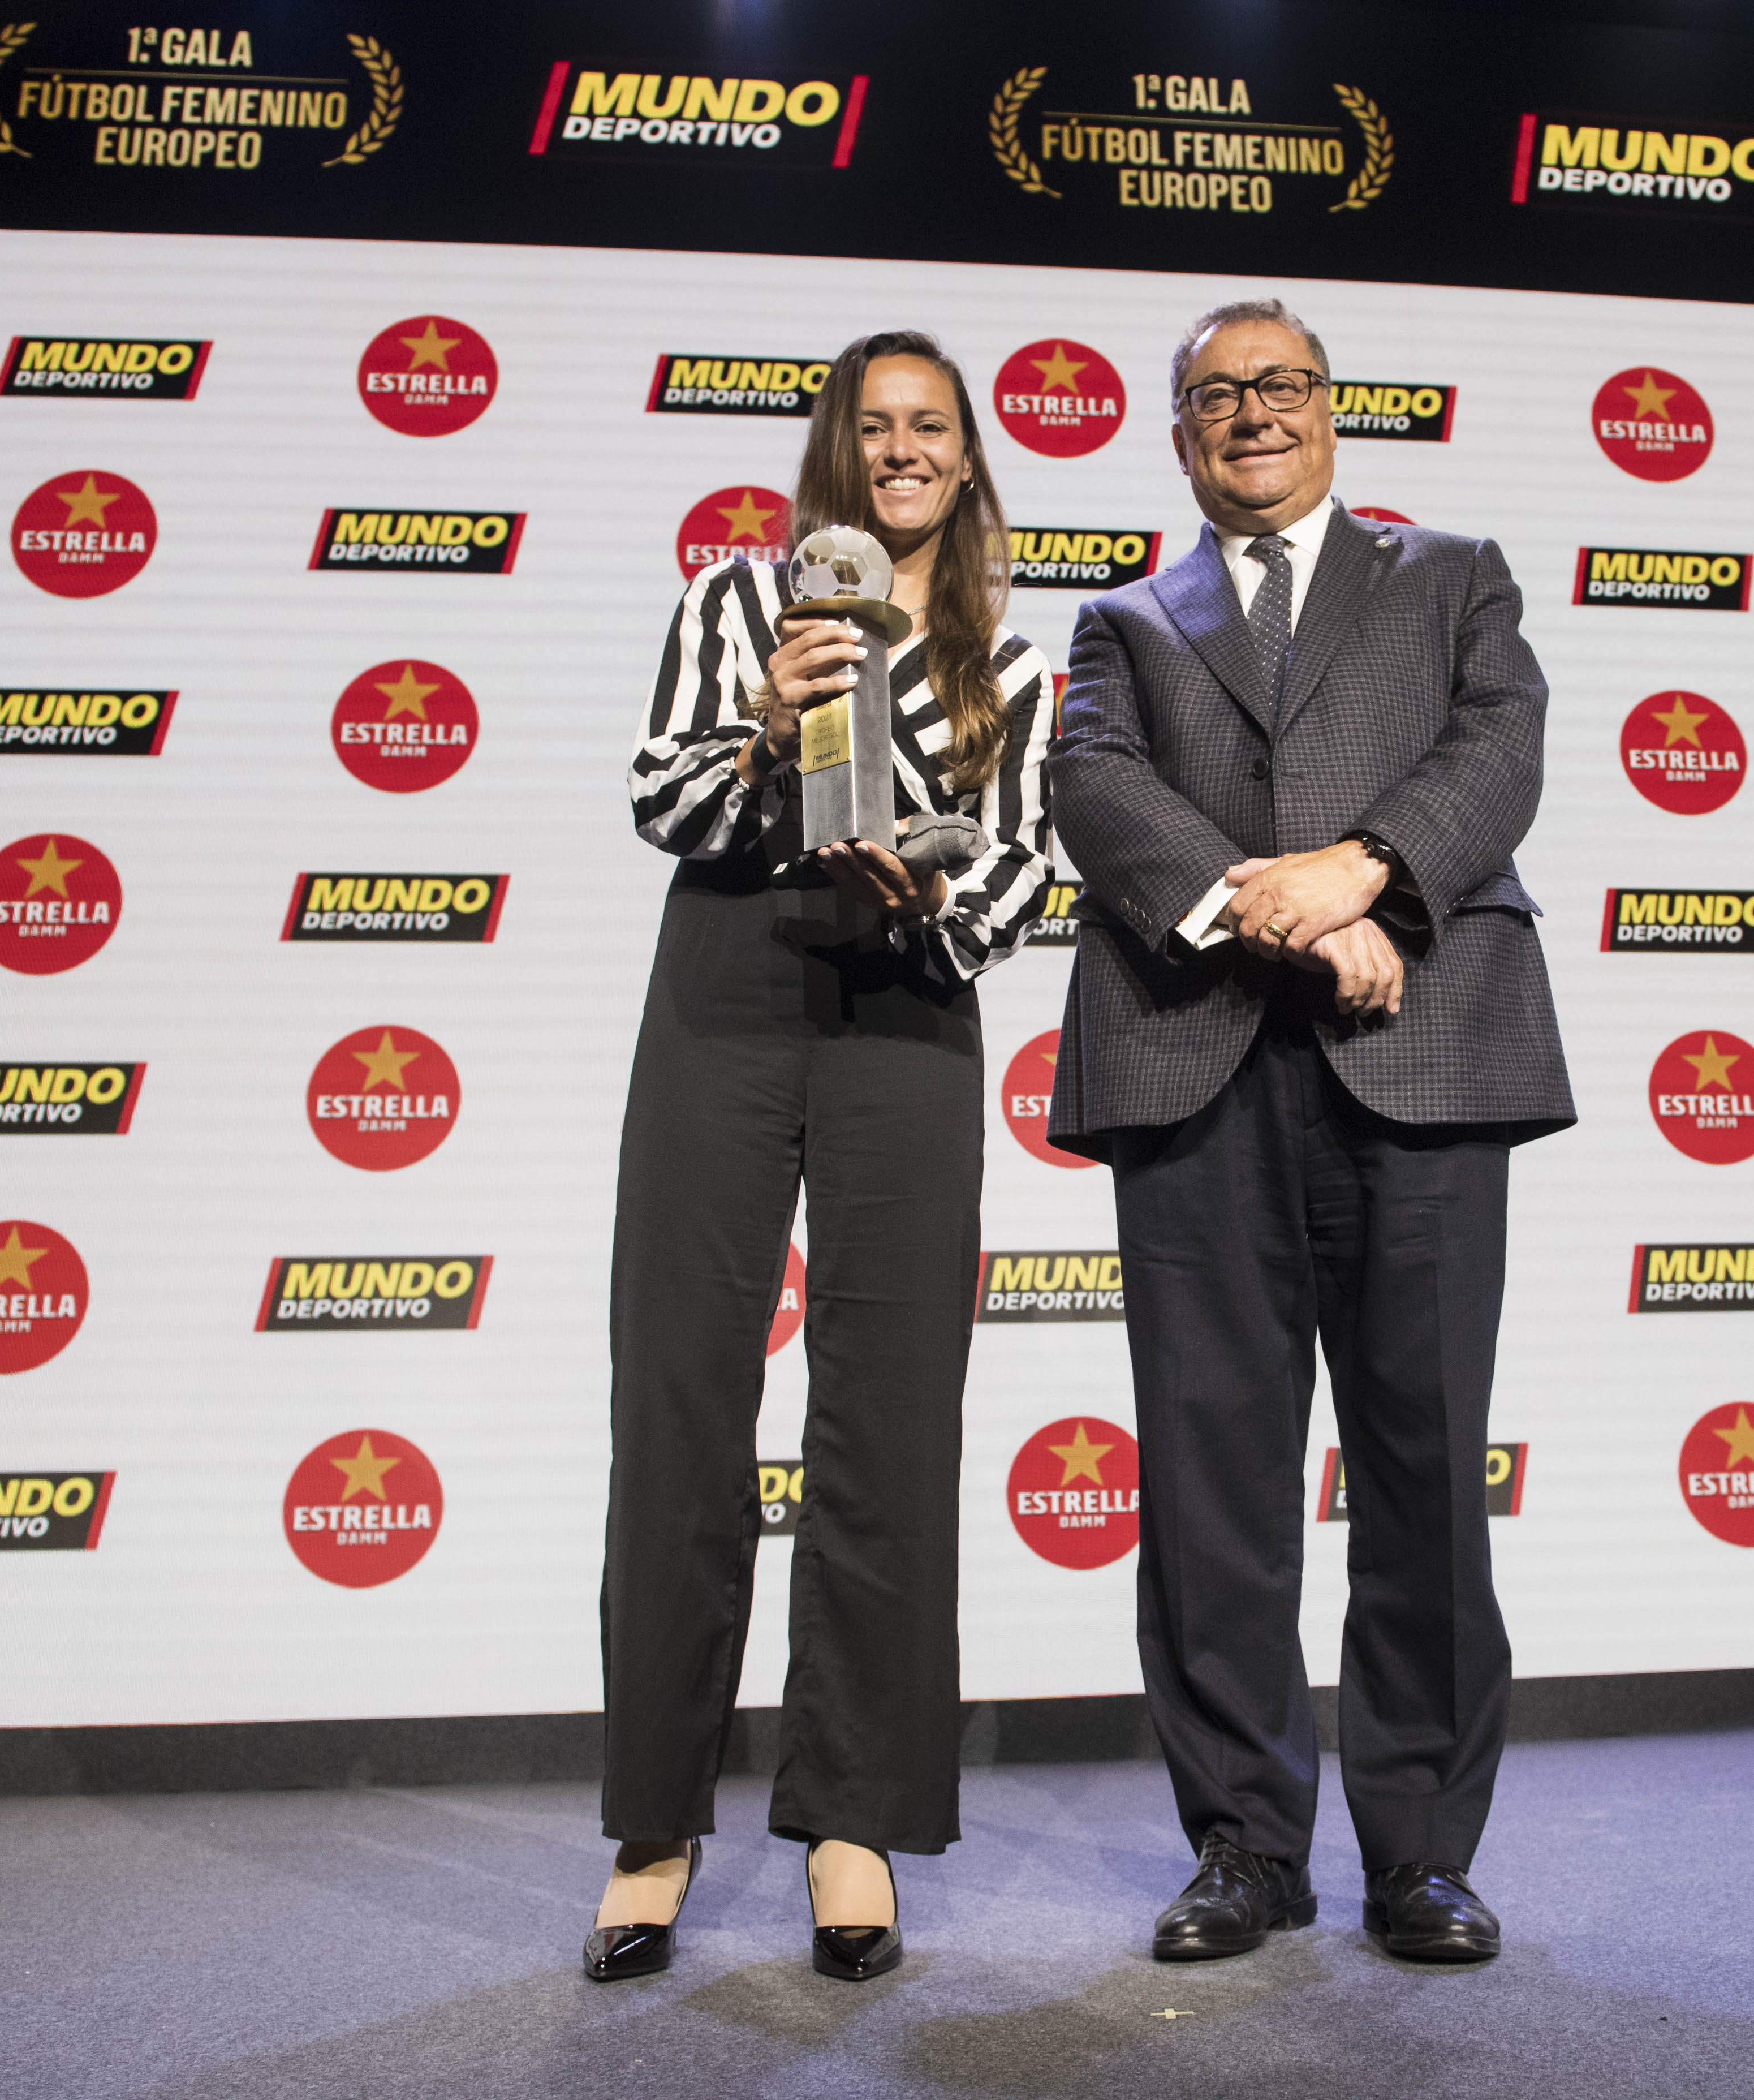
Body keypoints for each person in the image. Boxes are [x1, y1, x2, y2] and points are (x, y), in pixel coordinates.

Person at [1044, 298, 1574, 1965]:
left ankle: (1420, 1852)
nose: (1251, 414)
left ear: (1333, 410)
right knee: (1212, 1486)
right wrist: (1277, 912)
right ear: (1179, 431)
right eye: (1215, 395)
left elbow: (1502, 749)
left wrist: (1365, 875)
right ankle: (1246, 1850)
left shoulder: (1453, 573)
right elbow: (1096, 787)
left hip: (1418, 1055)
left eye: (1280, 386)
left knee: (1422, 1467)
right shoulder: (1122, 620)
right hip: (1195, 1062)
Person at [587, 331, 1053, 1985]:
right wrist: (771, 737)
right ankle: (653, 1826)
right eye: (877, 427)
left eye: (933, 428)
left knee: (889, 1417)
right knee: (684, 1401)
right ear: (836, 452)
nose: (905, 450)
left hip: (904, 1011)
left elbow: (1021, 884)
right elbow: (663, 799)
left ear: (969, 460)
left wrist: (929, 893)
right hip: (728, 990)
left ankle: (851, 1825)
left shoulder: (1016, 659)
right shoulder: (739, 602)